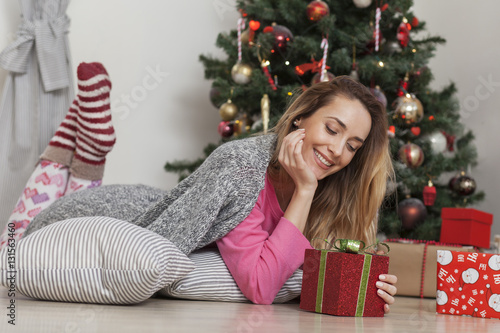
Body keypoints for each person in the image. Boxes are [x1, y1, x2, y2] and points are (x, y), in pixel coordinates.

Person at [1, 64, 397, 310]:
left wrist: (366, 282)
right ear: (300, 120)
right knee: (20, 232)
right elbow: (261, 286)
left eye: (352, 146)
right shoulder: (242, 172)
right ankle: (87, 144)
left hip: (145, 194)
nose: (337, 151)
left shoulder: (326, 187)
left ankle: (86, 146)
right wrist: (306, 190)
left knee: (66, 183)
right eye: (332, 129)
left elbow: (311, 258)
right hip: (99, 211)